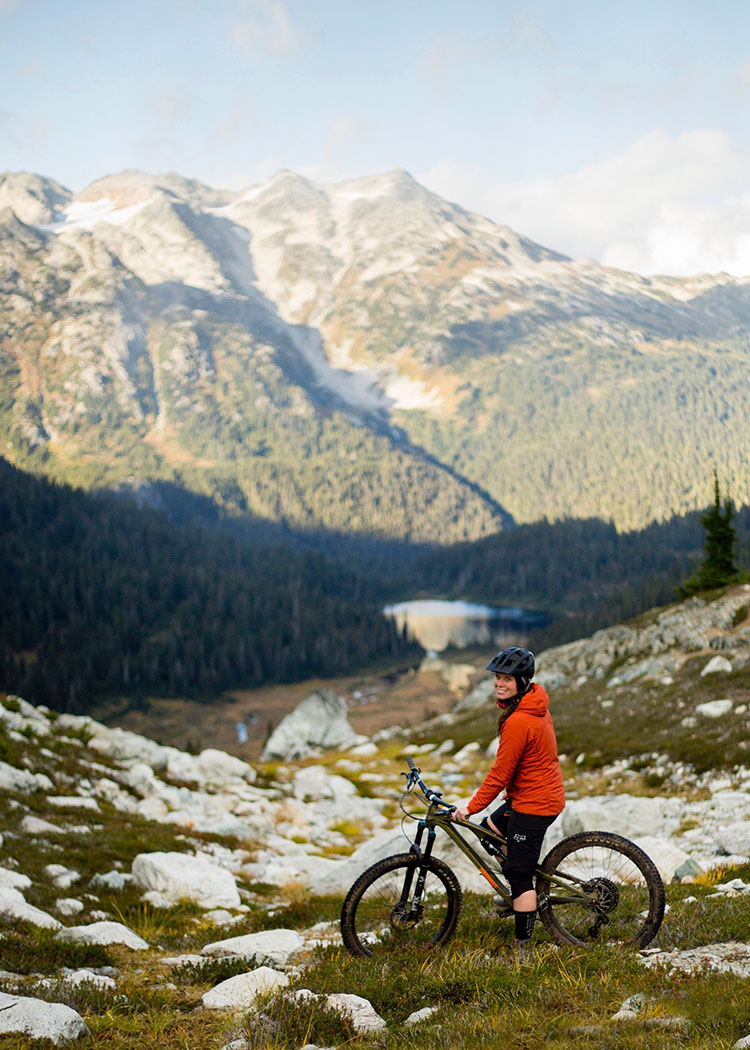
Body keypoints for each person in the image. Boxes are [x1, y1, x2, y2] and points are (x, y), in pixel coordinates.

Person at [452, 646, 565, 955]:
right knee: (490, 830)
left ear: (522, 681)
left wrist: (470, 808)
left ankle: (523, 945)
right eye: (497, 678)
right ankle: (520, 884)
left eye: (507, 679)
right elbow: (531, 758)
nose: (499, 684)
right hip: (531, 794)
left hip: (535, 804)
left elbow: (500, 772)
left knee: (519, 874)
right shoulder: (534, 702)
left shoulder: (518, 721)